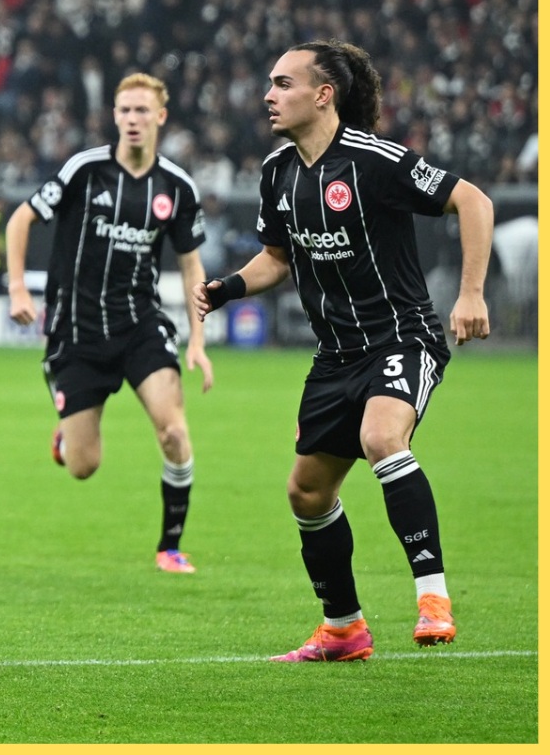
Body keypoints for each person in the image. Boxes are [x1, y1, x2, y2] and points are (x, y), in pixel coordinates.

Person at [195, 40, 493, 662]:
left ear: (323, 93)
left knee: (383, 437)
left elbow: (474, 200)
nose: (268, 95)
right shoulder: (277, 172)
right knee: (306, 492)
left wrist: (470, 294)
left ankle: (433, 597)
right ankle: (343, 629)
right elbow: (277, 258)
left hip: (401, 336)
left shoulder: (375, 159)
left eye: (282, 84)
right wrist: (227, 288)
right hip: (335, 355)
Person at [5, 72, 214, 574]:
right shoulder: (85, 169)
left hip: (140, 324)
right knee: (83, 466)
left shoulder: (177, 187)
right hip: (77, 331)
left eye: (142, 111)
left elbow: (191, 265)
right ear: (114, 116)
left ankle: (170, 546)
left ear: (160, 117)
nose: (132, 120)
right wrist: (16, 286)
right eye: (124, 111)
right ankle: (65, 434)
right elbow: (21, 219)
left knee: (174, 432)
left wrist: (198, 342)